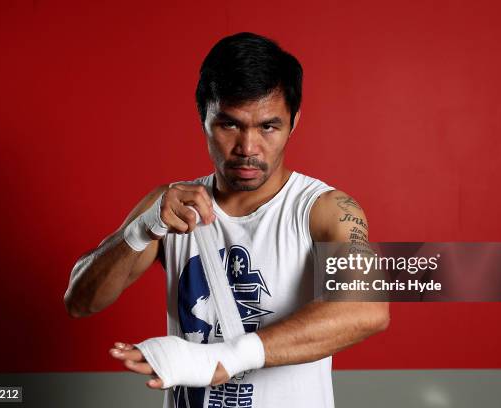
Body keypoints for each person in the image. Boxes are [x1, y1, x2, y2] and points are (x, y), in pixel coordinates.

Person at [64, 31, 390, 408]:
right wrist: (141, 230)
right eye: (229, 125)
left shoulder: (322, 209)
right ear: (204, 117)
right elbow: (80, 301)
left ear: (294, 122)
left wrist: (227, 357)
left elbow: (368, 308)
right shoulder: (169, 206)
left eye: (268, 126)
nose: (248, 148)